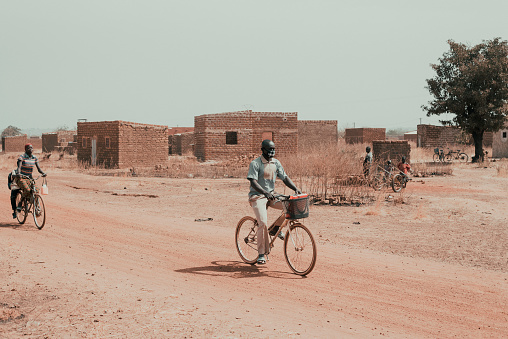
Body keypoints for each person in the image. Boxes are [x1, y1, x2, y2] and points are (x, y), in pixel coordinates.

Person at [247, 139, 301, 265]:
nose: (272, 151)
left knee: (289, 205)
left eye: (273, 149)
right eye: (269, 149)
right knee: (263, 223)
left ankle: (275, 229)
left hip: (271, 195)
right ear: (262, 150)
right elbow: (253, 182)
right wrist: (264, 192)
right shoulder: (255, 163)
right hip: (257, 196)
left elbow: (285, 178)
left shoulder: (276, 163)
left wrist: (295, 188)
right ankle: (261, 254)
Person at [13, 144, 47, 216]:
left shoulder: (35, 158)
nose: (30, 149)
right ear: (25, 149)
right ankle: (20, 203)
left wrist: (43, 173)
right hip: (21, 178)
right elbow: (19, 167)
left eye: (31, 147)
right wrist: (18, 173)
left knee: (36, 190)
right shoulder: (22, 157)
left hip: (30, 178)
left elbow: (39, 169)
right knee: (27, 190)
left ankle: (37, 207)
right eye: (29, 148)